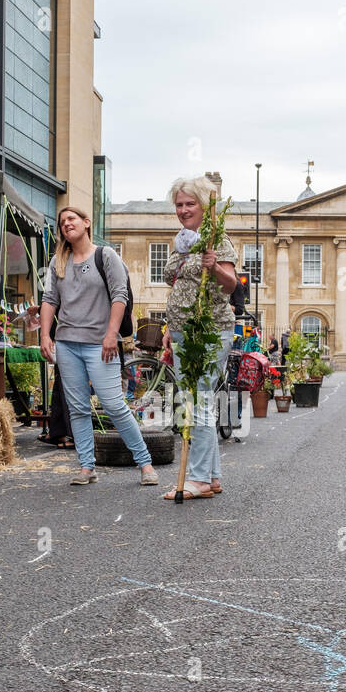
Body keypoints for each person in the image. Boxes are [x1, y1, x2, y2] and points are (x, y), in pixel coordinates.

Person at [40, 206, 158, 486]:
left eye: (72, 219)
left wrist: (111, 334)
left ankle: (145, 463)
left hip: (100, 344)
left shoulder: (105, 256)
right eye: (62, 221)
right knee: (78, 407)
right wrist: (46, 336)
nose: (67, 224)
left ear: (86, 222)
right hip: (67, 343)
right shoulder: (59, 260)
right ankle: (86, 466)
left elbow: (119, 295)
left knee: (114, 405)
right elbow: (49, 300)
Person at [161, 174, 238, 499]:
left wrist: (215, 267)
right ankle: (212, 477)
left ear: (204, 206)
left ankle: (197, 479)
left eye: (190, 203)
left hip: (208, 330)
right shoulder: (181, 241)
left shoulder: (216, 240)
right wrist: (169, 329)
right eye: (179, 204)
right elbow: (179, 285)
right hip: (180, 330)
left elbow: (231, 285)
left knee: (198, 402)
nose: (183, 209)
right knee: (196, 399)